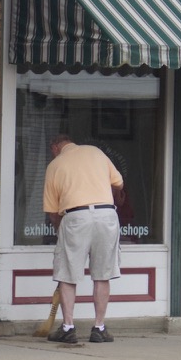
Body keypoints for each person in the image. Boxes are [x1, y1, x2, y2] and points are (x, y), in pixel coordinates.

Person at [42, 133, 126, 343]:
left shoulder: (55, 164)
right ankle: (99, 327)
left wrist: (61, 233)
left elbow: (52, 211)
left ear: (55, 147)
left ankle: (68, 327)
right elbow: (119, 182)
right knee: (102, 274)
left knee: (68, 275)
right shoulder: (96, 152)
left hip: (75, 215)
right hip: (107, 214)